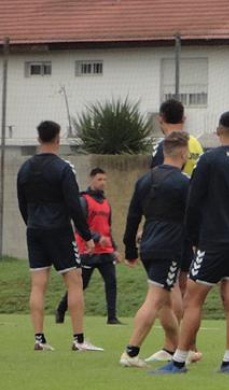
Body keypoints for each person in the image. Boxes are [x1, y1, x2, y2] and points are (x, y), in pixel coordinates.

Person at [154, 111, 229, 374]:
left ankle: (179, 361)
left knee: (193, 299)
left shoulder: (209, 160)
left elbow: (193, 202)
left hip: (213, 242)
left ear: (218, 131)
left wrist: (192, 237)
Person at [16, 120, 103, 352]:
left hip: (34, 230)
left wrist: (32, 223)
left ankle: (39, 338)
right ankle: (79, 339)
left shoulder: (24, 168)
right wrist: (87, 235)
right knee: (74, 281)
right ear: (58, 139)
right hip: (59, 231)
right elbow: (74, 205)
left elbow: (22, 203)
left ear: (38, 139)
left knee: (38, 284)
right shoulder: (63, 168)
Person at [119, 131, 192, 368]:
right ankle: (131, 352)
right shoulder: (184, 183)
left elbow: (132, 217)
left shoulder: (144, 180)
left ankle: (180, 349)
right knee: (155, 300)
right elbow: (194, 219)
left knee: (166, 303)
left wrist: (130, 249)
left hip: (148, 246)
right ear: (183, 153)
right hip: (169, 247)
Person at [146, 98, 204, 363]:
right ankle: (188, 346)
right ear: (185, 117)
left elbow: (155, 184)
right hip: (192, 221)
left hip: (168, 224)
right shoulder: (196, 144)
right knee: (184, 286)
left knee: (169, 288)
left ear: (161, 118)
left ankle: (175, 346)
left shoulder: (166, 147)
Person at [55, 167, 122, 325]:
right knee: (81, 284)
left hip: (105, 252)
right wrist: (97, 238)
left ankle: (112, 317)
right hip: (88, 250)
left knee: (111, 282)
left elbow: (108, 228)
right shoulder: (84, 200)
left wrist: (115, 249)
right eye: (99, 179)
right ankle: (61, 308)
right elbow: (80, 225)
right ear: (91, 180)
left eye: (105, 180)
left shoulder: (106, 203)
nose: (103, 183)